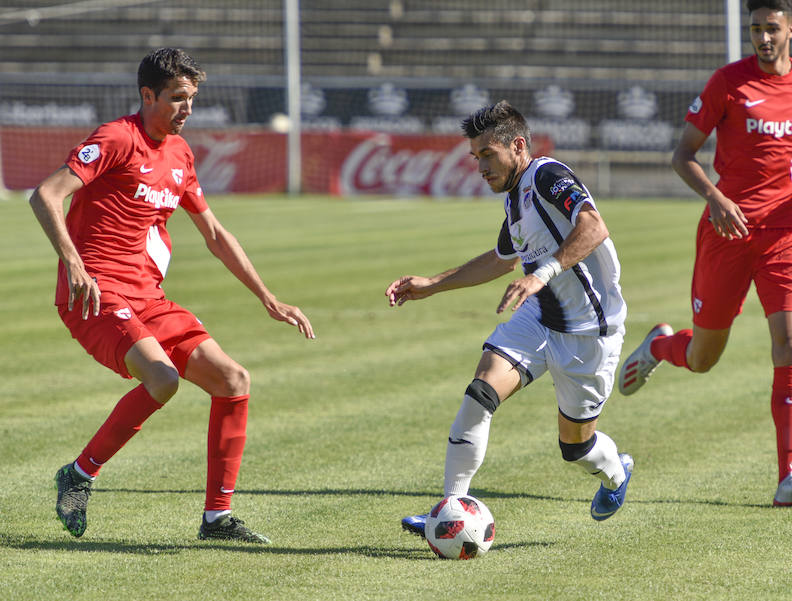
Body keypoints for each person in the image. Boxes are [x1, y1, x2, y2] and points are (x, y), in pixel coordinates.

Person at [30, 48, 315, 543]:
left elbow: (215, 234)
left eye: (192, 99)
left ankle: (217, 520)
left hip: (147, 297)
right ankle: (79, 474)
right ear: (148, 95)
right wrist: (75, 264)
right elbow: (46, 194)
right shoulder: (117, 138)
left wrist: (268, 297)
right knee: (163, 379)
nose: (187, 108)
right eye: (177, 98)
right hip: (96, 295)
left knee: (232, 379)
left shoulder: (180, 154)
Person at [618, 0, 792, 507]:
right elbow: (682, 155)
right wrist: (716, 199)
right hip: (727, 234)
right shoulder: (728, 82)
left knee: (789, 342)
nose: (763, 38)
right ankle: (659, 346)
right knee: (702, 359)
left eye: (772, 29)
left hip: (788, 234)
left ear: (791, 30)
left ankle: (790, 474)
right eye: (756, 29)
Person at [385, 100, 632, 535]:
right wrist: (432, 284)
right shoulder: (515, 200)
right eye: (475, 156)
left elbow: (594, 227)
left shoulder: (546, 175)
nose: (480, 166)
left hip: (589, 333)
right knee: (479, 395)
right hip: (539, 318)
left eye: (487, 154)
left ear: (517, 146)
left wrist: (542, 275)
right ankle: (449, 509)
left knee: (576, 448)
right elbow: (500, 261)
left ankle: (617, 471)